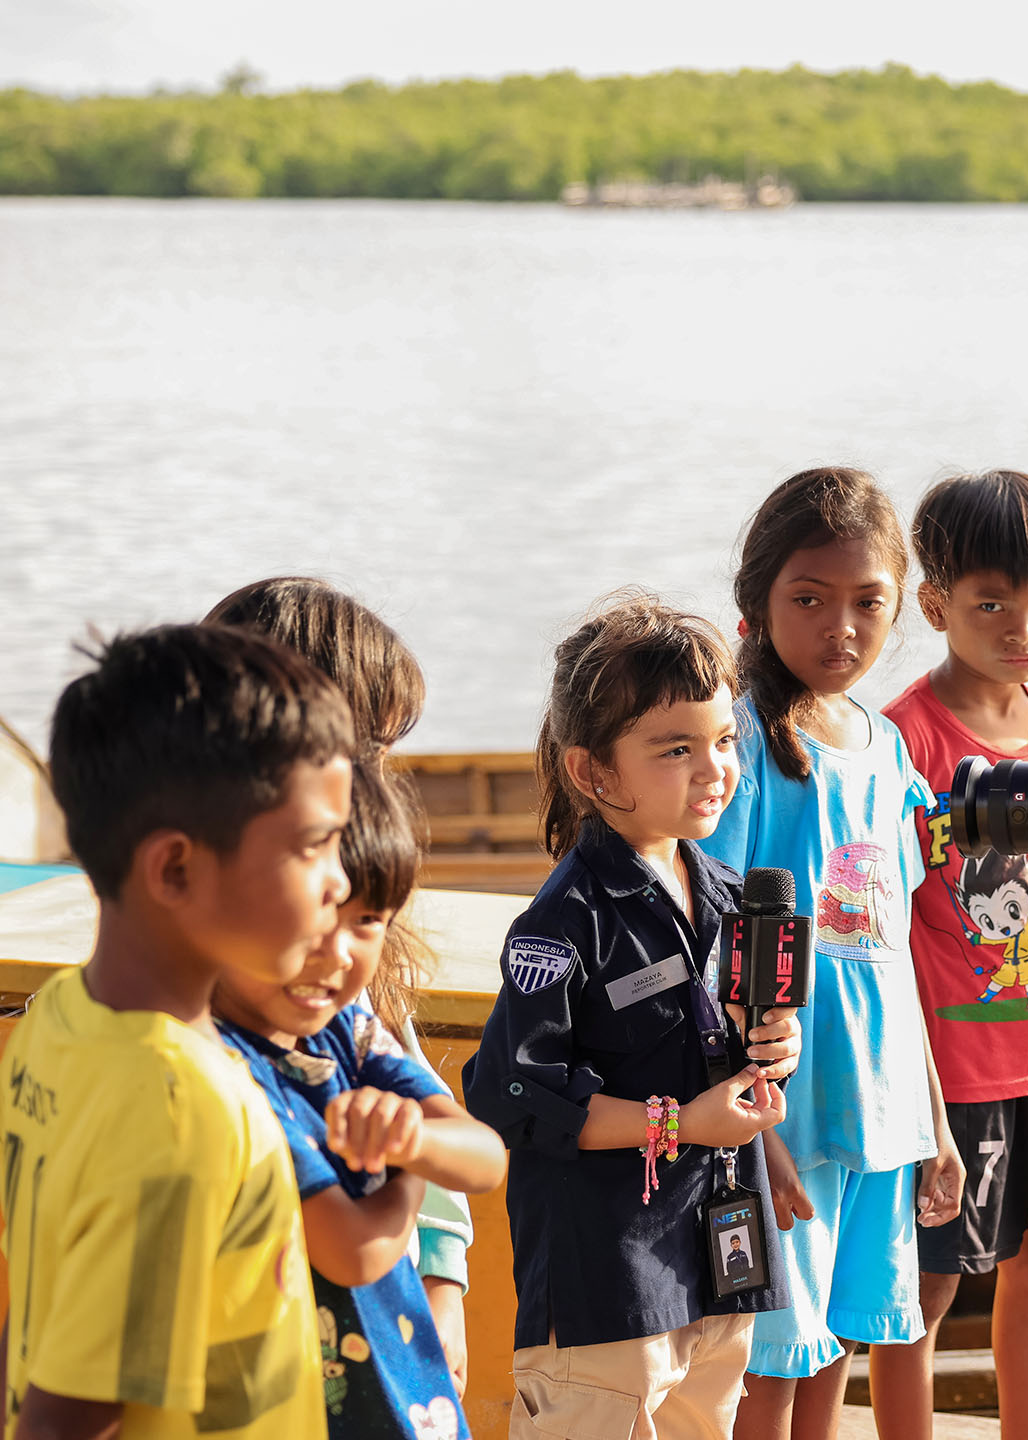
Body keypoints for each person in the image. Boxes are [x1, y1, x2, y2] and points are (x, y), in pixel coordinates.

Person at [462, 591, 802, 1440]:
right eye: (674, 749)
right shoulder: (561, 924)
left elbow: (718, 1053)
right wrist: (684, 1121)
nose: (713, 768)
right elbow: (512, 1094)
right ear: (592, 772)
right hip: (605, 1283)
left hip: (717, 1258)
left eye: (724, 741)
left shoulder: (728, 896)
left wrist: (773, 1052)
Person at [1, 623, 353, 1440]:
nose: (340, 879)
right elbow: (70, 1422)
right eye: (314, 845)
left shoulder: (57, 1020)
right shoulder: (179, 1110)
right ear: (176, 870)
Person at [698, 467, 965, 1440]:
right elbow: (713, 935)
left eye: (867, 603)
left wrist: (932, 1119)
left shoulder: (888, 749)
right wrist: (750, 1127)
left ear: (901, 608)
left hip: (882, 1106)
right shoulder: (745, 744)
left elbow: (893, 951)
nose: (839, 629)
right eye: (808, 600)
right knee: (771, 1357)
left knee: (838, 1349)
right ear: (758, 606)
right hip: (786, 1113)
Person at [873, 470, 1028, 1440]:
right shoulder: (906, 739)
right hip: (954, 1074)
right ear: (936, 605)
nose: (1024, 630)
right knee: (923, 1292)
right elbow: (879, 919)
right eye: (992, 605)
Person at [206, 576, 477, 1390]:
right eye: (377, 751)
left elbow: (442, 1127)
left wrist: (444, 1280)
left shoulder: (345, 980)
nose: (386, 783)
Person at [214, 756, 507, 1440]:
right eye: (315, 915)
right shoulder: (227, 1064)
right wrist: (409, 1171)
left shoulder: (346, 1027)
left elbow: (485, 1157)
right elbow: (355, 1252)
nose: (339, 954)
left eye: (368, 920)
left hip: (401, 1398)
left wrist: (415, 1138)